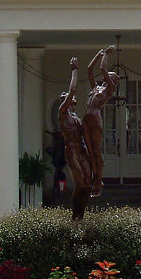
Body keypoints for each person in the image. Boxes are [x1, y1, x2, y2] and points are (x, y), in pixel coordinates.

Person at [83, 46, 119, 197]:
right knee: (89, 150)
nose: (108, 75)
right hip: (86, 118)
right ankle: (92, 179)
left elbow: (102, 69)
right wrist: (98, 54)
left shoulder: (110, 89)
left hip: (95, 118)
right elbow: (89, 69)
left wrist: (105, 55)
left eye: (111, 75)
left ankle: (99, 181)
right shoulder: (96, 88)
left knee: (96, 150)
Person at [59, 57, 92, 219]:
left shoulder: (76, 117)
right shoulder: (63, 113)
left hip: (82, 150)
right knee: (80, 184)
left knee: (87, 185)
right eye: (67, 98)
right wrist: (75, 70)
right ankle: (75, 216)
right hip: (72, 151)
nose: (71, 98)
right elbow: (72, 90)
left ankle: (81, 216)